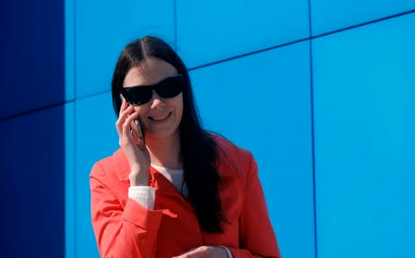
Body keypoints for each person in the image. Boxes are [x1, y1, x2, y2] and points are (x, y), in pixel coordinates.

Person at [90, 35, 280, 258]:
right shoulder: (106, 177)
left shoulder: (237, 163)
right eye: (141, 94)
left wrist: (225, 256)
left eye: (169, 86)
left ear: (184, 87)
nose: (158, 103)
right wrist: (140, 183)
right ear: (124, 103)